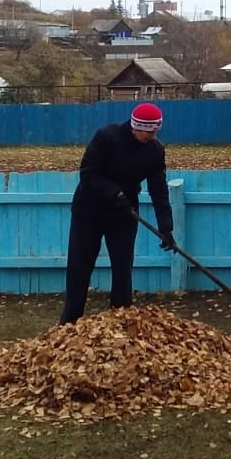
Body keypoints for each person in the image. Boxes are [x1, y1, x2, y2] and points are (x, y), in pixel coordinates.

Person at [59, 102, 175, 324]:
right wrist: (114, 193)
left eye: (155, 131)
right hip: (89, 211)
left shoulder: (155, 150)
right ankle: (70, 322)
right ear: (136, 127)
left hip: (124, 214)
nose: (152, 136)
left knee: (123, 269)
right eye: (148, 131)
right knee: (79, 268)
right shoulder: (107, 137)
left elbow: (159, 189)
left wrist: (166, 227)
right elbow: (88, 173)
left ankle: (121, 320)